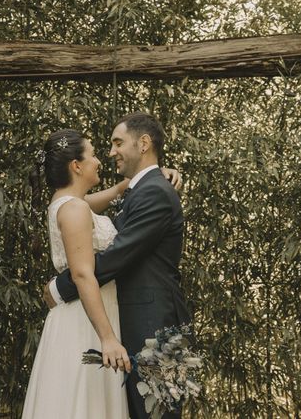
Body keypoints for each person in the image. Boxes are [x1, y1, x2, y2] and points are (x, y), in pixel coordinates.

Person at [22, 127, 182, 419]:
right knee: (85, 404)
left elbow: (109, 197)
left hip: (86, 316)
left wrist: (152, 172)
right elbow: (84, 274)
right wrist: (107, 337)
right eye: (94, 154)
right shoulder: (74, 210)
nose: (102, 159)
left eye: (116, 144)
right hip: (88, 323)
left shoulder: (69, 203)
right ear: (77, 165)